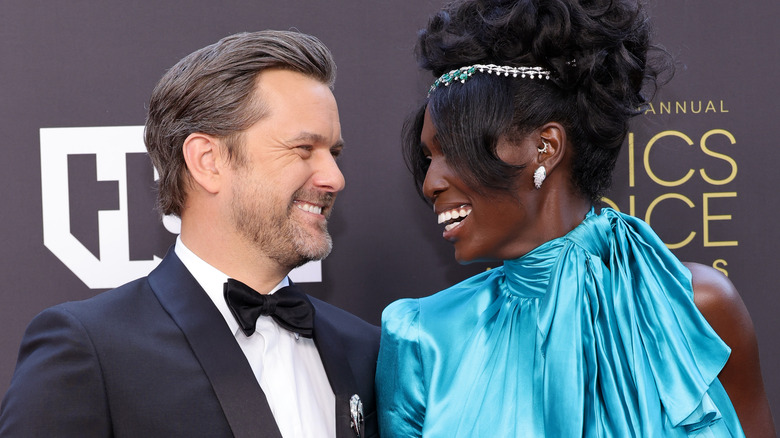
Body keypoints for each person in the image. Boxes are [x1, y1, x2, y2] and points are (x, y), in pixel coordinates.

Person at [375, 0, 776, 436]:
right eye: (429, 157)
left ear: (544, 147)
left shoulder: (696, 308)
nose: (430, 182)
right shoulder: (423, 339)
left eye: (451, 150)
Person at [0, 30, 379, 438]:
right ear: (207, 161)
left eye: (334, 154)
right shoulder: (90, 349)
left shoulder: (363, 348)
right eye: (303, 149)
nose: (334, 178)